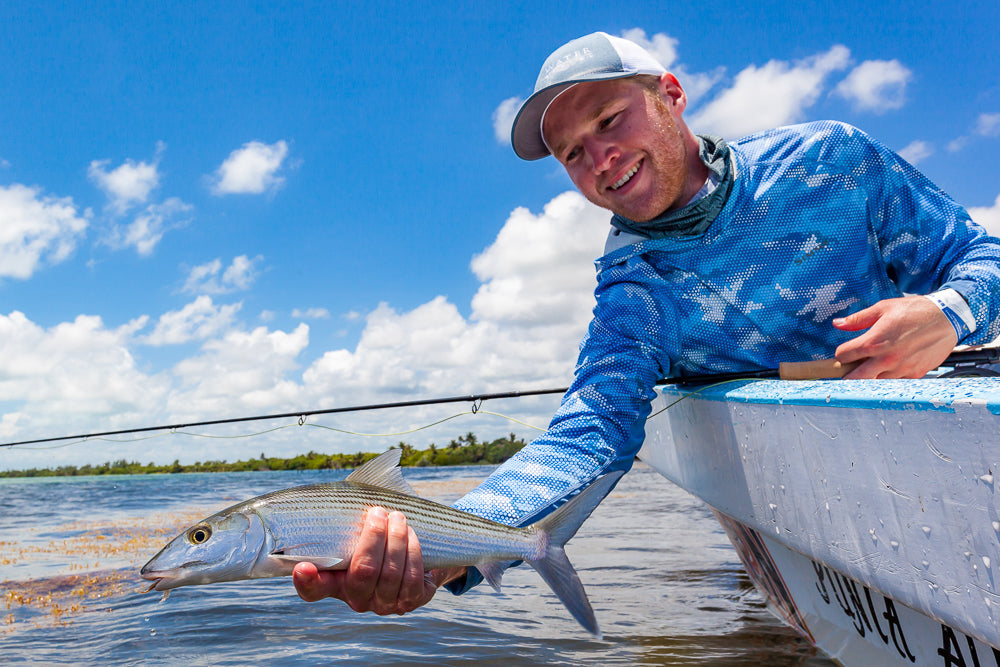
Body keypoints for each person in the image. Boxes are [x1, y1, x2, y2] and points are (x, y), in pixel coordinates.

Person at [293, 32, 1000, 615]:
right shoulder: (633, 288)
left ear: (671, 94)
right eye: (573, 153)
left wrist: (948, 312)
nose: (600, 160)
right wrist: (438, 553)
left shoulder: (831, 159)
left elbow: (980, 253)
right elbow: (588, 435)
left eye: (609, 120)